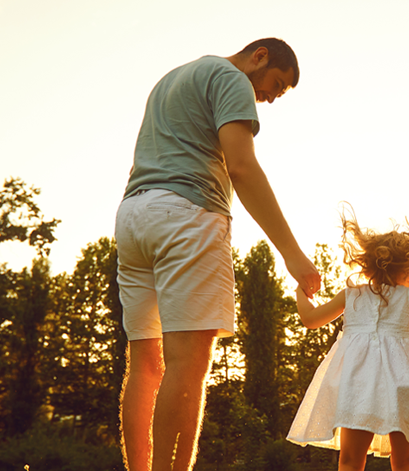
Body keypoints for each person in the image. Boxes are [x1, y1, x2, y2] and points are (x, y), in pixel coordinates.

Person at [114, 38, 322, 471]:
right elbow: (241, 167)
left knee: (145, 366)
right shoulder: (231, 78)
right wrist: (292, 254)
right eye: (274, 85)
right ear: (259, 55)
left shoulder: (172, 78)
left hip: (134, 216)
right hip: (186, 216)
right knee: (187, 367)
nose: (267, 97)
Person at [286, 210, 409, 471]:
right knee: (406, 461)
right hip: (405, 383)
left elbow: (311, 319)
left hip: (356, 383)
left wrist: (301, 291)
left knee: (350, 460)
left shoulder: (351, 295)